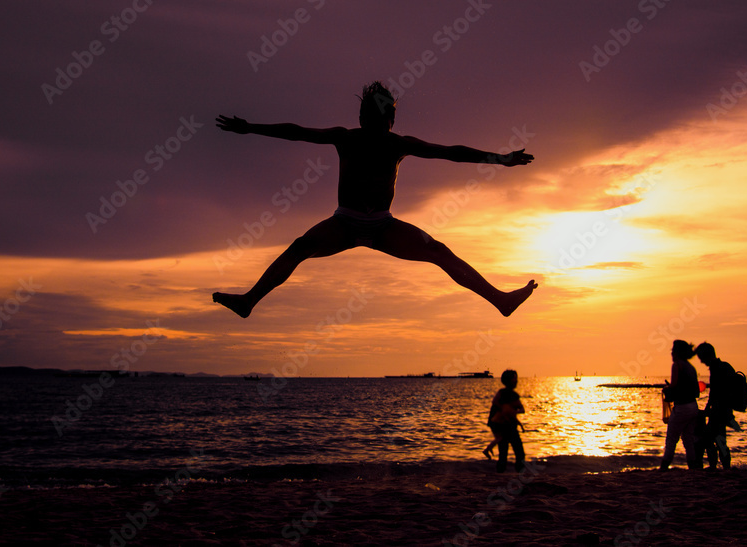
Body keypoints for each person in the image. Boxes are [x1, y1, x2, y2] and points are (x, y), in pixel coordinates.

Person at [212, 81, 538, 318]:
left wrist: (501, 159)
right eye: (373, 118)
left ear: (389, 121)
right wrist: (251, 127)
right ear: (364, 119)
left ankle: (500, 300)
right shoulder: (347, 138)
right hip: (345, 221)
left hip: (383, 225)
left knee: (439, 251)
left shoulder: (398, 144)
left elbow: (451, 153)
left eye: (384, 119)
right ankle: (249, 301)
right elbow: (297, 131)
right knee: (300, 247)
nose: (379, 125)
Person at [659, 340, 701, 471]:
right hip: (693, 406)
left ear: (677, 353)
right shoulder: (691, 367)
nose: (671, 353)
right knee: (688, 439)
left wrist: (667, 389)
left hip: (682, 407)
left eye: (673, 350)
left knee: (671, 438)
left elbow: (675, 386)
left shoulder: (676, 365)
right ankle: (692, 466)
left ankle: (664, 466)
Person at [695, 342, 735, 470]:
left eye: (701, 358)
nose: (701, 362)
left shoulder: (716, 368)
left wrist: (707, 409)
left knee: (707, 440)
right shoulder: (723, 367)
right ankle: (723, 467)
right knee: (719, 439)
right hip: (724, 410)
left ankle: (715, 466)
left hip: (719, 411)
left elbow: (715, 393)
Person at [487, 369, 526, 472]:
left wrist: (514, 412)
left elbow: (522, 409)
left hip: (511, 425)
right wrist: (504, 410)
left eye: (516, 379)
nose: (516, 381)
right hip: (503, 426)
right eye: (514, 379)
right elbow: (495, 402)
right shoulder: (502, 393)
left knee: (519, 452)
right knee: (504, 452)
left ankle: (519, 473)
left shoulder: (514, 395)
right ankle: (501, 473)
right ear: (508, 381)